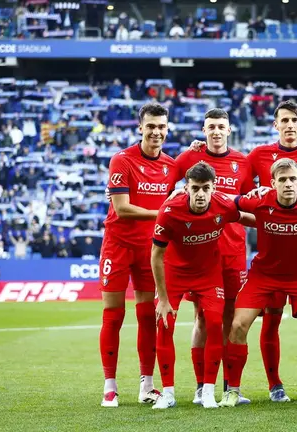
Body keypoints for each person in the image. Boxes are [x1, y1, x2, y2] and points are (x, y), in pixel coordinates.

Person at [224, 158, 297, 408]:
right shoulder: (259, 201)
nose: (288, 184)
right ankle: (232, 390)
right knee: (238, 324)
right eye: (282, 180)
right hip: (263, 276)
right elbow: (226, 202)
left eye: (292, 179)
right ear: (272, 183)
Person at [151, 161, 252, 409]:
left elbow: (246, 217)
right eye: (195, 188)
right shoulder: (170, 210)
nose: (200, 194)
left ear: (214, 188)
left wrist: (279, 222)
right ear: (186, 188)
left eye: (205, 188)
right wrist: (163, 299)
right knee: (165, 324)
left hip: (208, 274)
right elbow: (156, 255)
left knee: (216, 323)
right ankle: (168, 393)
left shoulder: (223, 205)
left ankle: (208, 391)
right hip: (175, 273)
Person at [170, 108, 254, 406]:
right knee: (203, 320)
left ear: (229, 129)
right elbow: (167, 192)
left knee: (230, 319)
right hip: (199, 254)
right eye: (211, 127)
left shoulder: (243, 162)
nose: (216, 131)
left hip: (232, 252)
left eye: (221, 127)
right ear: (203, 130)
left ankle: (231, 387)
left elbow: (248, 208)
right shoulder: (189, 158)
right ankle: (201, 387)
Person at [244, 100, 297, 402]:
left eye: (295, 120)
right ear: (275, 125)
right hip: (273, 249)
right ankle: (274, 384)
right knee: (272, 318)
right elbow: (237, 191)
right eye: (284, 120)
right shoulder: (257, 156)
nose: (290, 125)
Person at [99, 102, 177, 408]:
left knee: (148, 317)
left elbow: (194, 168)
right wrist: (162, 212)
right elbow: (122, 208)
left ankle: (147, 384)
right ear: (140, 128)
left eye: (161, 127)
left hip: (151, 249)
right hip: (118, 244)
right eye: (151, 126)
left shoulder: (172, 166)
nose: (156, 132)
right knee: (114, 315)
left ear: (167, 129)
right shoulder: (122, 160)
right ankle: (110, 386)